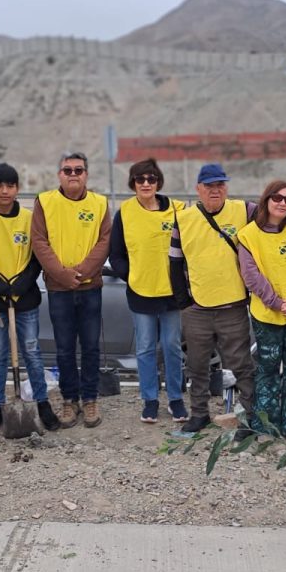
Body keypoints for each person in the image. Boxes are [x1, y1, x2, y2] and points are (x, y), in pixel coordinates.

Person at [169, 163, 286, 434]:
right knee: (197, 364)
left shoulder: (244, 210)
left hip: (233, 306)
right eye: (209, 186)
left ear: (226, 188)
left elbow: (278, 209)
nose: (215, 191)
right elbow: (174, 261)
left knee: (242, 365)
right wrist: (184, 301)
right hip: (198, 308)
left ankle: (249, 417)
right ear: (198, 189)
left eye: (220, 185)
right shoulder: (183, 218)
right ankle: (199, 414)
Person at [0, 163, 59, 433]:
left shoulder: (30, 219)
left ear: (18, 188)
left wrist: (19, 285)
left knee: (32, 350)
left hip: (24, 298)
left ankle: (42, 404)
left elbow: (37, 257)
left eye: (9, 186)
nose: (4, 191)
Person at [31, 151, 111, 428]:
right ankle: (69, 400)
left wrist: (84, 271)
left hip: (91, 288)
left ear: (86, 174)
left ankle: (89, 399)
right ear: (59, 175)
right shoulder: (44, 202)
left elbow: (104, 241)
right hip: (58, 289)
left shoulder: (100, 203)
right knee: (64, 349)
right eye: (68, 170)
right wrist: (63, 275)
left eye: (79, 170)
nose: (73, 174)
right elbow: (39, 241)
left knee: (90, 346)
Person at [109, 158, 189, 424]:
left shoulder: (177, 210)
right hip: (141, 291)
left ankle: (176, 399)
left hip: (171, 293)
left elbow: (191, 246)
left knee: (172, 347)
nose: (145, 183)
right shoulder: (125, 212)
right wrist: (130, 276)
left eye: (151, 179)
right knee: (144, 348)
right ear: (132, 183)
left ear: (158, 182)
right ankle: (150, 400)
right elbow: (116, 253)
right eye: (140, 179)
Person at [237, 180, 286, 441]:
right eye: (277, 198)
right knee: (267, 369)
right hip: (266, 313)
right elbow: (251, 275)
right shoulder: (249, 235)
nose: (282, 203)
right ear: (266, 200)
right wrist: (275, 302)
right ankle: (266, 424)